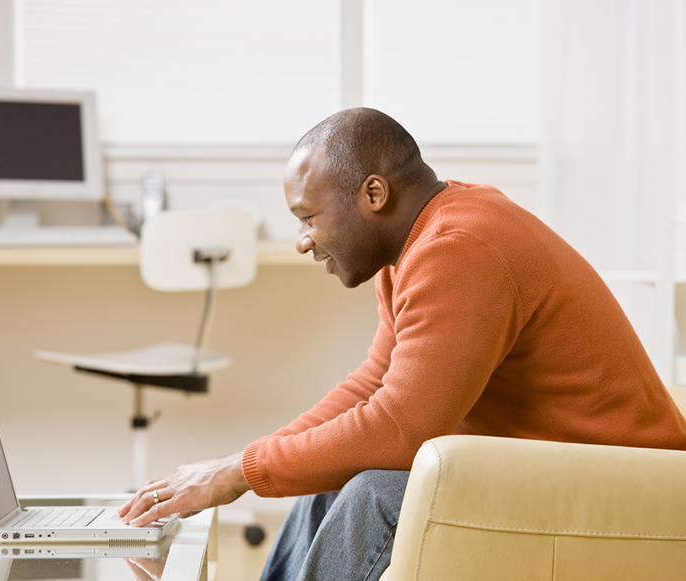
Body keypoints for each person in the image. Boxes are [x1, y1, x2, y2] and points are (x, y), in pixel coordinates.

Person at [117, 108, 686, 580]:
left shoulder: (460, 247)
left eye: (309, 216)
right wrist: (242, 464)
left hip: (635, 494)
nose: (301, 240)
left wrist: (238, 473)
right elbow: (372, 387)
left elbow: (399, 430)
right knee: (329, 480)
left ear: (373, 193)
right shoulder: (419, 241)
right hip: (564, 471)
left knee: (375, 493)